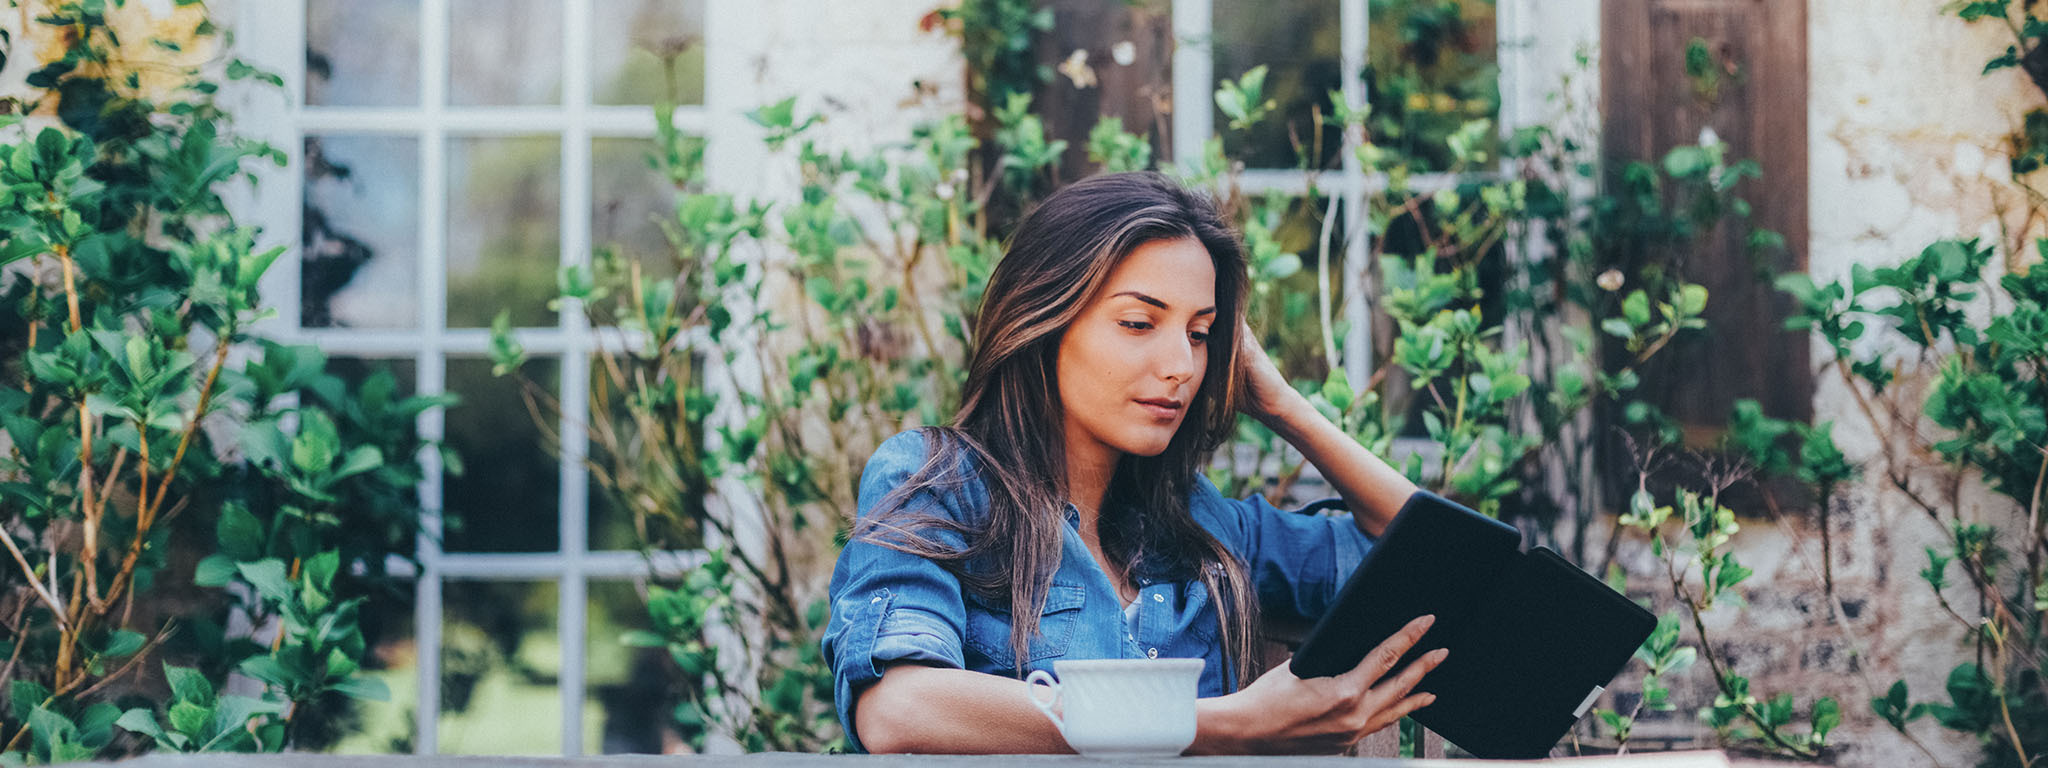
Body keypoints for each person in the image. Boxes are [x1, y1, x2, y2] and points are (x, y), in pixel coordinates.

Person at [823, 171, 1446, 754]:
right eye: (1139, 322)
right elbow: (897, 706)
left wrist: (1284, 407)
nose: (1181, 365)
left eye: (1200, 334)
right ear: (1043, 320)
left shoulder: (1201, 525)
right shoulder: (940, 483)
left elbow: (1432, 558)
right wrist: (1223, 726)